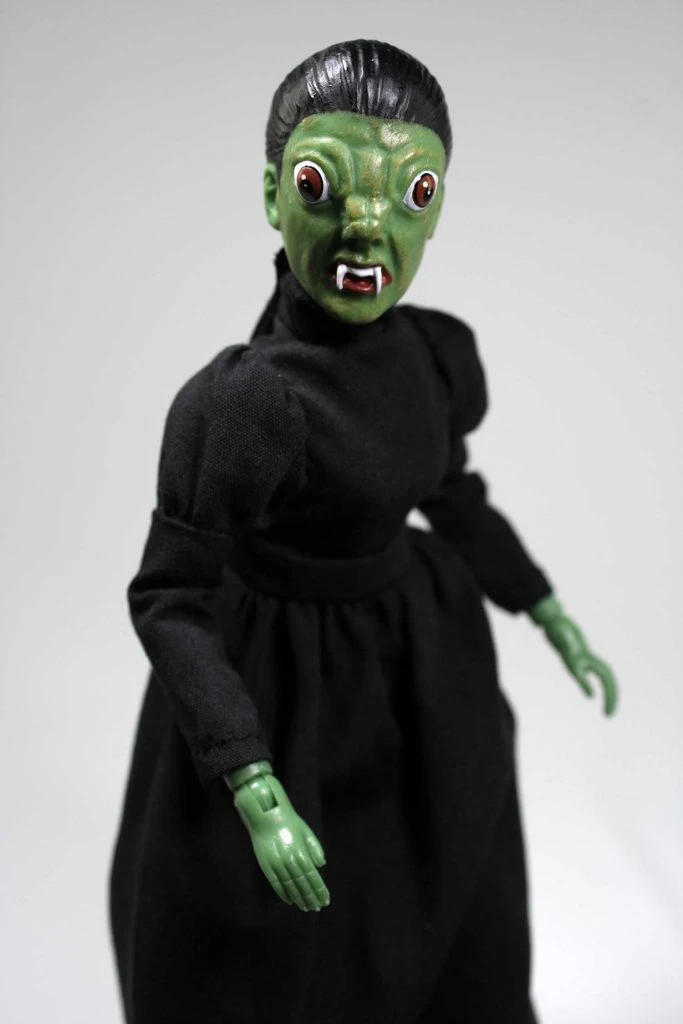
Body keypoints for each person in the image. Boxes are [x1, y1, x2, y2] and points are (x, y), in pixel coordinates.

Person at [110, 39, 617, 1024]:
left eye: (411, 192)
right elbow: (168, 595)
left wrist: (543, 607)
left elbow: (452, 494)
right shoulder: (243, 405)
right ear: (272, 195)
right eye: (320, 184)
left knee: (444, 890)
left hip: (420, 664)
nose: (366, 225)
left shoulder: (432, 355)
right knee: (274, 951)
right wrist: (251, 782)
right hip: (277, 685)